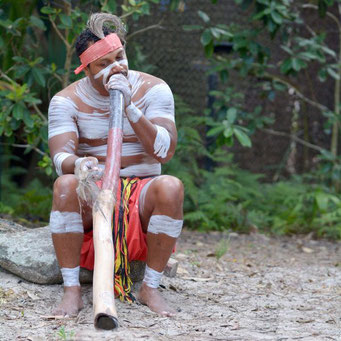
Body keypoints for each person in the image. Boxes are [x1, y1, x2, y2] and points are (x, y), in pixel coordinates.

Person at [48, 13, 184, 318]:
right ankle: (72, 291)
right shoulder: (65, 100)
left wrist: (131, 108)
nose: (117, 67)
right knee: (65, 185)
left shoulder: (154, 89)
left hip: (142, 195)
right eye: (103, 64)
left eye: (119, 56)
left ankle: (150, 287)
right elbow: (60, 160)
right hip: (93, 191)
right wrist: (80, 164)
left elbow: (165, 151)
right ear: (86, 70)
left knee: (171, 187)